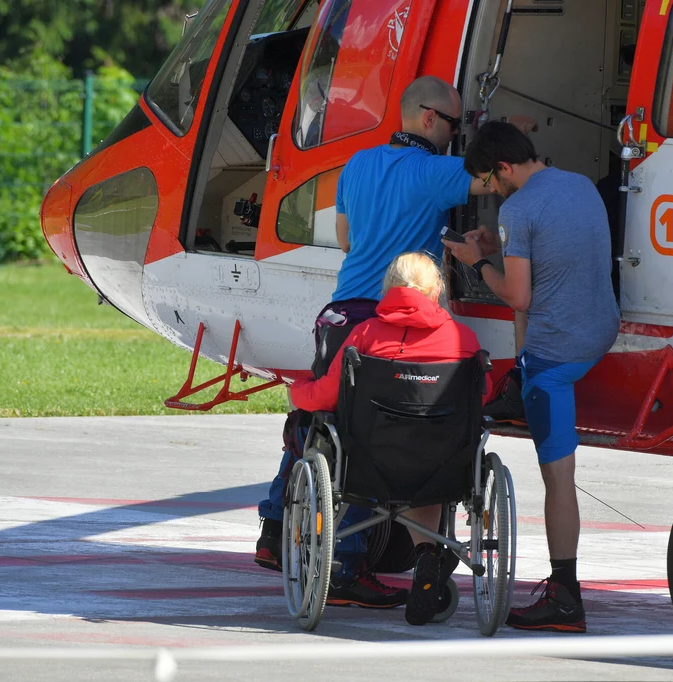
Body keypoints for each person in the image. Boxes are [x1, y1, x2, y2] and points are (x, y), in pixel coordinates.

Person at [254, 75, 522, 609]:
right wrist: (513, 139)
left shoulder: (356, 166)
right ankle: (346, 565)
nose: (456, 135)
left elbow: (349, 239)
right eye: (454, 124)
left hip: (341, 310)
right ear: (428, 119)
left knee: (320, 426)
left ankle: (274, 527)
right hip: (387, 320)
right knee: (379, 435)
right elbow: (498, 180)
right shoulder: (435, 171)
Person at [443, 121, 620, 633]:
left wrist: (477, 262)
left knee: (557, 481)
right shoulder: (579, 184)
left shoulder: (518, 208)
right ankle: (523, 383)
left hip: (557, 354)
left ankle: (566, 596)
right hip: (600, 331)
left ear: (502, 167)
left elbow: (518, 296)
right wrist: (497, 246)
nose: (492, 191)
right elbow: (557, 254)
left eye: (490, 182)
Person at [290, 252, 490, 626]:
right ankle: (428, 553)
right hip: (441, 465)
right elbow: (482, 394)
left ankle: (371, 558)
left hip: (369, 464)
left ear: (389, 288)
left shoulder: (364, 335)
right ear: (436, 290)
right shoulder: (462, 338)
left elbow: (326, 396)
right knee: (425, 460)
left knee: (387, 452)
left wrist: (297, 391)